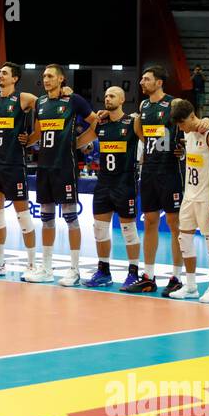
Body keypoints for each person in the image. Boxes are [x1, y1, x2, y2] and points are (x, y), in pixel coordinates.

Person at [123, 65, 195, 296]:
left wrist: (183, 149)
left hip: (170, 171)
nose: (142, 82)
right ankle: (149, 276)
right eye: (142, 79)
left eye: (147, 79)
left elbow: (191, 126)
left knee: (175, 224)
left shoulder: (174, 104)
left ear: (159, 82)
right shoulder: (144, 106)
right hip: (149, 170)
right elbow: (142, 131)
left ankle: (176, 277)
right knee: (150, 220)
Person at [23, 64, 98, 286]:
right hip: (44, 166)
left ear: (61, 79)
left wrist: (79, 142)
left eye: (50, 76)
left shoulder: (73, 100)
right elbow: (38, 131)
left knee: (70, 217)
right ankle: (46, 269)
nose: (46, 79)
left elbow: (95, 121)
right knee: (45, 218)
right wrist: (25, 141)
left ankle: (74, 270)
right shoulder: (41, 103)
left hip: (65, 165)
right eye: (44, 76)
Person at [78, 86, 142, 289]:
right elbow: (81, 141)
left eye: (112, 95)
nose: (107, 98)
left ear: (122, 99)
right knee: (99, 229)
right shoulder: (100, 123)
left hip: (125, 183)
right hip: (104, 183)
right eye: (105, 95)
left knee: (129, 230)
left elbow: (153, 141)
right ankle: (104, 271)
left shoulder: (133, 122)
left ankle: (133, 272)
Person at [168, 98, 209, 302]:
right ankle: (191, 286)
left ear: (192, 117)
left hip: (207, 196)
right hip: (189, 195)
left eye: (183, 123)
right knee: (184, 238)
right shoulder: (187, 132)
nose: (181, 127)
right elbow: (177, 102)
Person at [0, 62, 39, 277]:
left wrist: (32, 138)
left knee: (23, 216)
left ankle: (33, 264)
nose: (0, 77)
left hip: (15, 163)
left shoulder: (24, 98)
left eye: (4, 74)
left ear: (15, 78)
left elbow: (44, 108)